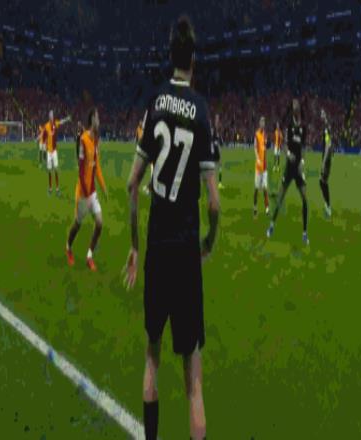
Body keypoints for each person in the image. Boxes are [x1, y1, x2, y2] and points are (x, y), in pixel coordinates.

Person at [124, 16, 220, 440]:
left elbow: (132, 184)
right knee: (193, 381)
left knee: (152, 358)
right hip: (185, 251)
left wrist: (134, 246)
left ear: (170, 56)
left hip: (158, 248)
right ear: (193, 59)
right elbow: (213, 202)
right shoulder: (200, 110)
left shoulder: (156, 102)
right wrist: (210, 240)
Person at [66, 108, 108, 272]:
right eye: (97, 117)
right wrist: (85, 193)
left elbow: (96, 167)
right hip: (83, 193)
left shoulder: (96, 140)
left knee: (99, 223)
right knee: (77, 224)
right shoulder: (83, 139)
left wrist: (103, 188)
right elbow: (81, 170)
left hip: (92, 192)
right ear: (92, 120)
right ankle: (68, 247)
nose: (100, 120)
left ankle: (89, 256)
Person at [267, 99, 309, 245]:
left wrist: (302, 162)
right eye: (293, 105)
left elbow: (303, 148)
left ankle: (304, 233)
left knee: (305, 199)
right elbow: (283, 144)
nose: (295, 107)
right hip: (289, 167)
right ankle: (272, 225)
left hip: (298, 168)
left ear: (299, 109)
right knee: (280, 196)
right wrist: (288, 154)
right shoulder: (289, 126)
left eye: (296, 105)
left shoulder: (304, 127)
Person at [43, 110, 70, 196]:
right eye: (50, 116)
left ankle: (57, 189)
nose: (52, 117)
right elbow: (44, 137)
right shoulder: (46, 126)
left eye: (52, 115)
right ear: (49, 117)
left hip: (54, 151)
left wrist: (67, 119)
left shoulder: (55, 123)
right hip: (48, 151)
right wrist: (44, 147)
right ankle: (50, 188)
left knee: (56, 169)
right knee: (49, 171)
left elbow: (61, 122)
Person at [254, 116, 270, 217]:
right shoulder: (256, 134)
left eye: (264, 122)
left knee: (265, 188)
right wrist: (257, 158)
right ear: (259, 123)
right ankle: (255, 207)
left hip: (264, 167)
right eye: (261, 122)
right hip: (258, 167)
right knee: (256, 188)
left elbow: (265, 148)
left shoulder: (265, 135)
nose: (263, 124)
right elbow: (255, 147)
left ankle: (267, 208)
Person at [319, 109, 333, 217]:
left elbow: (328, 145)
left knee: (323, 182)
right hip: (326, 158)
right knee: (322, 181)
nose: (321, 115)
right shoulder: (326, 127)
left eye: (323, 114)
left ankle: (328, 206)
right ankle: (327, 204)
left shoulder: (327, 129)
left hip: (326, 159)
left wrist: (324, 161)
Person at [213, 114, 224, 189]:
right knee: (214, 167)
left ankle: (219, 183)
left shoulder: (217, 132)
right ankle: (217, 183)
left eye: (218, 119)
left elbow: (219, 142)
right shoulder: (214, 130)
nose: (218, 121)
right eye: (217, 119)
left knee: (219, 165)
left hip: (216, 151)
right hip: (214, 151)